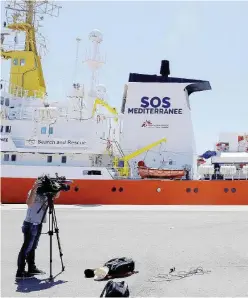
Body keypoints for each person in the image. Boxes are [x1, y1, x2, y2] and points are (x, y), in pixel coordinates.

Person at [15, 179, 60, 280]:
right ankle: (20, 272)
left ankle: (31, 268)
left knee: (33, 247)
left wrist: (58, 187)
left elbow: (56, 196)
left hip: (38, 223)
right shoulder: (33, 192)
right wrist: (34, 188)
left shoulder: (46, 194)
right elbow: (29, 203)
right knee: (26, 248)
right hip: (30, 223)